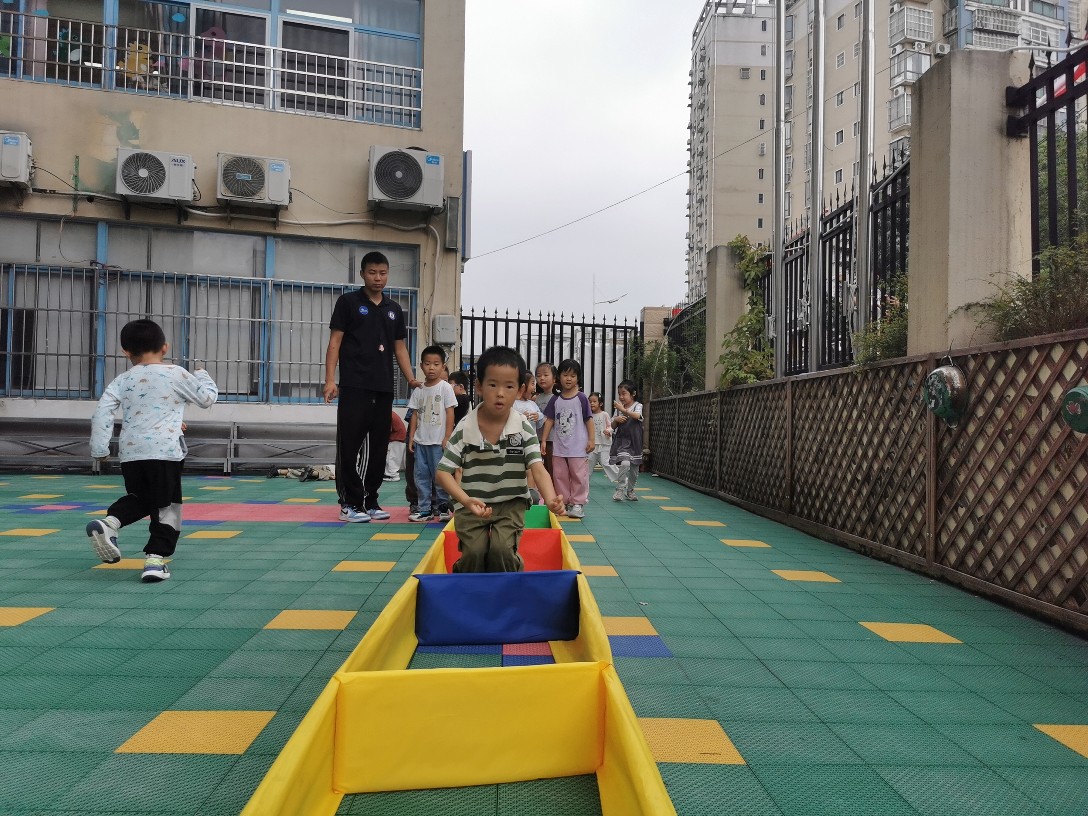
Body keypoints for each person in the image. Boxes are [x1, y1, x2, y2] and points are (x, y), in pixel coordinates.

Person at [87, 319, 218, 582]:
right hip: (165, 453)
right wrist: (203, 375)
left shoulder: (122, 380)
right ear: (164, 347)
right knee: (167, 506)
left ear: (125, 351)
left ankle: (111, 522)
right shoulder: (176, 373)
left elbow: (102, 413)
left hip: (132, 454)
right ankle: (155, 560)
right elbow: (207, 399)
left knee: (142, 497)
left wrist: (100, 449)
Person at [436, 346, 563, 572]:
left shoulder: (523, 427)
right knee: (474, 553)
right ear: (479, 386)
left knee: (501, 551)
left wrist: (551, 499)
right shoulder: (465, 427)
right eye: (493, 385)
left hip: (510, 502)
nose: (500, 393)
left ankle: (511, 580)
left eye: (509, 386)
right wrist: (465, 500)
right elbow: (443, 472)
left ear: (520, 390)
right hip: (472, 502)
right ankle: (465, 580)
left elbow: (538, 468)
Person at [324, 251, 421, 523]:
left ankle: (371, 500)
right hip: (354, 385)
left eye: (383, 273)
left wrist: (411, 378)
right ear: (362, 274)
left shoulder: (394, 309)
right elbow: (335, 343)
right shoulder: (348, 303)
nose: (378, 278)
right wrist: (330, 380)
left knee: (379, 446)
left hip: (383, 387)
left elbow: (400, 348)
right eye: (372, 273)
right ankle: (349, 503)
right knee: (350, 445)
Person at [407, 345, 457, 522]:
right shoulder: (419, 390)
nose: (431, 368)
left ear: (443, 366)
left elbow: (450, 413)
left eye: (436, 364)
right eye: (427, 364)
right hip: (421, 442)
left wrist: (447, 436)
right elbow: (414, 415)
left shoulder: (445, 388)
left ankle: (443, 508)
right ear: (421, 366)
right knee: (421, 477)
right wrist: (411, 437)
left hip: (438, 443)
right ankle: (424, 510)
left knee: (441, 476)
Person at [540, 359, 594, 519]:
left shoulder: (582, 398)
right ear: (559, 377)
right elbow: (549, 420)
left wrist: (592, 440)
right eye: (565, 375)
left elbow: (589, 420)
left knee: (579, 475)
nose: (568, 379)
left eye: (573, 375)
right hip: (559, 448)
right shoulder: (555, 399)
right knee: (559, 475)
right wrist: (544, 440)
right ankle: (564, 502)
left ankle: (578, 503)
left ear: (578, 378)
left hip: (578, 448)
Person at [610, 379, 644, 502]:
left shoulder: (638, 405)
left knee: (634, 470)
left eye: (624, 393)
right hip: (623, 441)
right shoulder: (619, 408)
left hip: (635, 441)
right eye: (619, 394)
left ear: (633, 393)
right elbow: (612, 426)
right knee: (625, 464)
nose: (621, 397)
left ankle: (630, 490)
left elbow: (637, 416)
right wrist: (616, 420)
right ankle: (620, 489)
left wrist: (623, 410)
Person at [587, 391, 618, 483]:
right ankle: (584, 483)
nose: (592, 403)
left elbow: (610, 426)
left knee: (606, 463)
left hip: (604, 444)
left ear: (600, 403)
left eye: (594, 401)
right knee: (588, 464)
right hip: (592, 444)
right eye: (590, 401)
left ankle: (622, 479)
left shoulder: (604, 414)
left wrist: (608, 431)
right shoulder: (588, 416)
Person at [534, 362, 558, 475]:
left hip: (553, 440)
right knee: (542, 471)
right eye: (538, 375)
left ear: (554, 378)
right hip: (538, 439)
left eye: (545, 375)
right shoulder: (537, 398)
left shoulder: (558, 398)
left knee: (553, 470)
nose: (542, 378)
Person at [384, 411, 406, 481]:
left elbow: (387, 430)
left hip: (397, 438)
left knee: (392, 457)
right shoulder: (390, 413)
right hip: (399, 438)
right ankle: (390, 474)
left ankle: (393, 475)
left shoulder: (387, 414)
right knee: (391, 457)